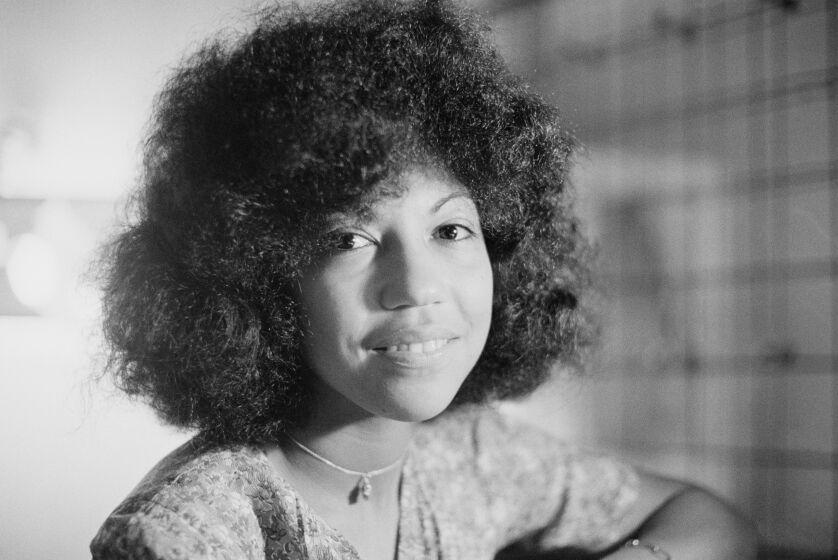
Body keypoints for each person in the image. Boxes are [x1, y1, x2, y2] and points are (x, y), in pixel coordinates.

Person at [91, 1, 757, 558]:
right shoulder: (189, 535)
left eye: (450, 231)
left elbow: (710, 521)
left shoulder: (472, 454)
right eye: (349, 239)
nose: (417, 285)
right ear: (260, 277)